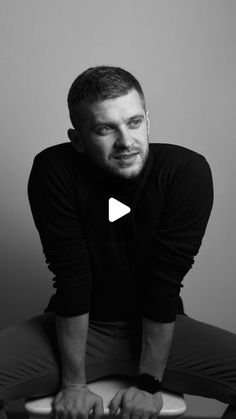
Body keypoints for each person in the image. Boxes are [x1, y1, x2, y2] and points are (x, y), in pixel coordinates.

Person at [0, 66, 236, 419]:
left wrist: (149, 384)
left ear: (148, 120)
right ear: (77, 139)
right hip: (80, 327)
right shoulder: (54, 170)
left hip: (158, 327)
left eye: (135, 122)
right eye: (105, 129)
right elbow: (72, 277)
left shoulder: (186, 172)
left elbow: (164, 282)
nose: (126, 142)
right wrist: (74, 385)